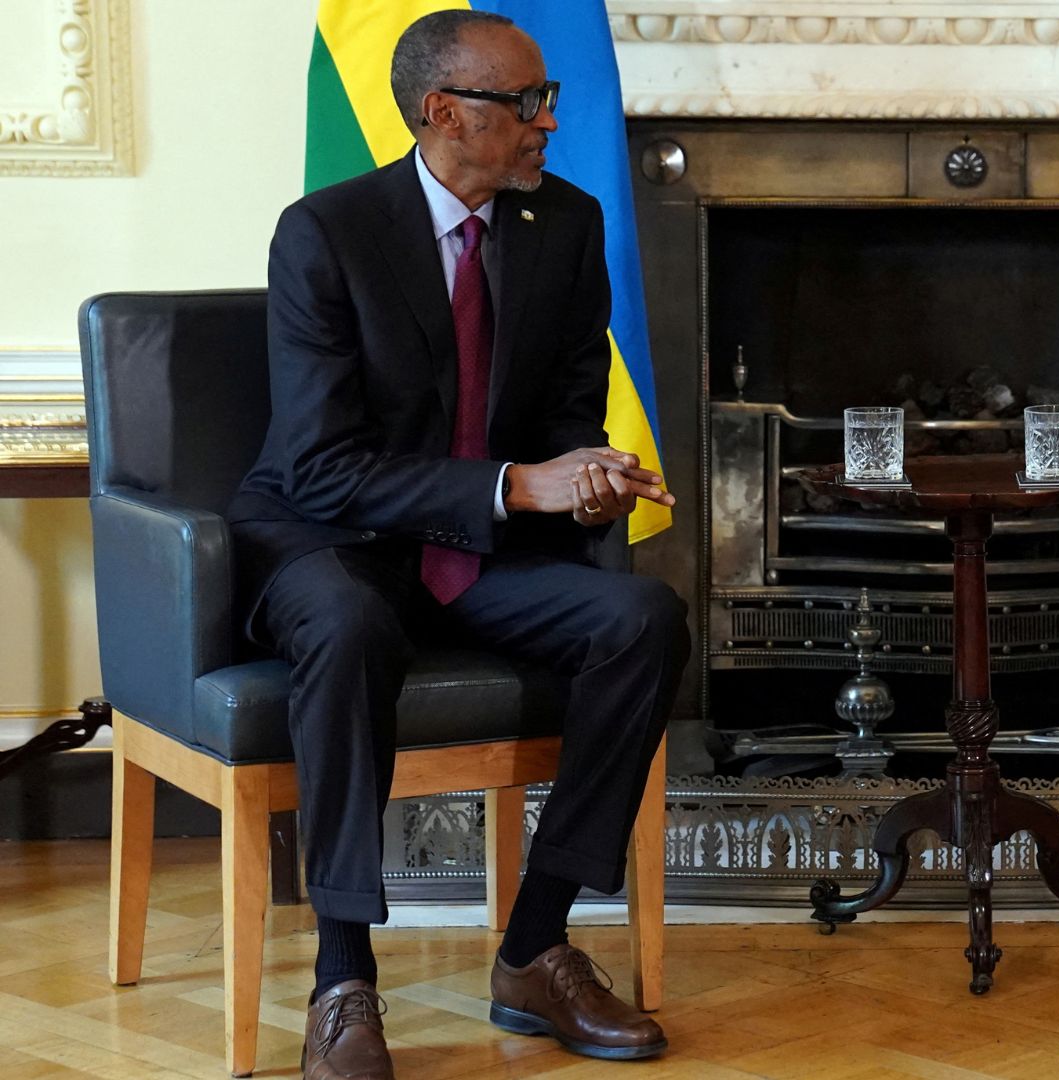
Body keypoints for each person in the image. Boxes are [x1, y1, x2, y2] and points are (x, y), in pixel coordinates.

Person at [227, 10, 689, 1077]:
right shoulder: (327, 232)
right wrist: (516, 485)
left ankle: (535, 943)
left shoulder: (563, 227)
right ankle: (343, 977)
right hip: (333, 541)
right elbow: (317, 467)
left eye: (549, 100)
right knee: (345, 626)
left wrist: (591, 481)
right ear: (442, 111)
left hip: (483, 553)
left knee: (642, 618)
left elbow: (571, 407)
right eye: (523, 103)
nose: (547, 123)